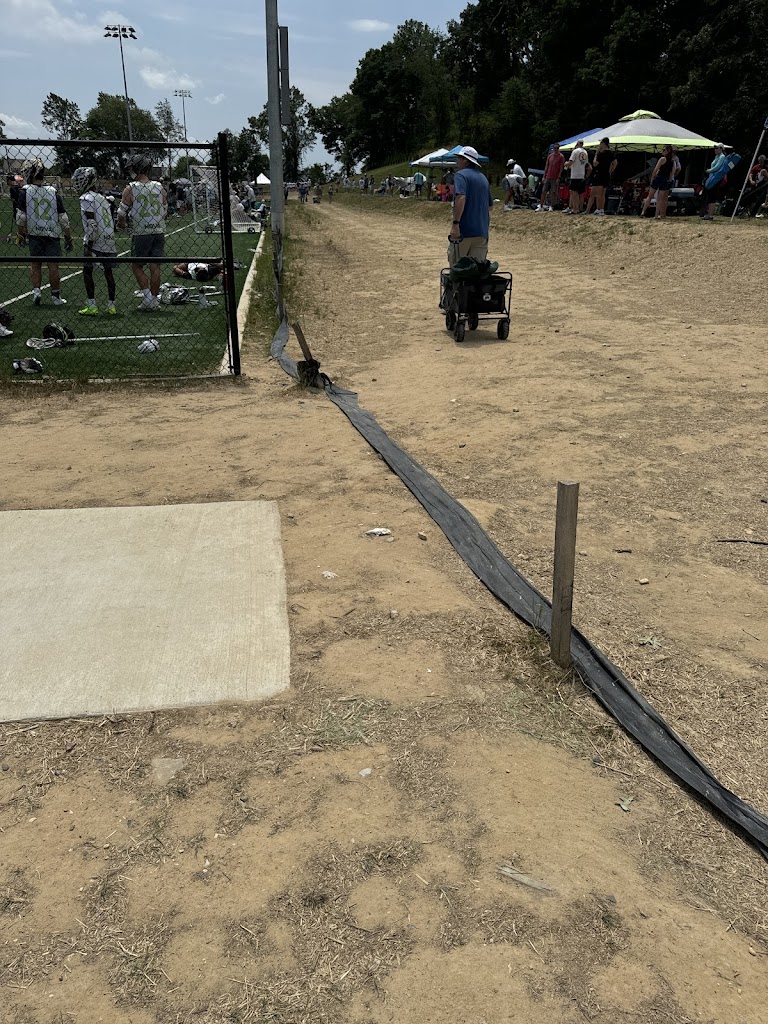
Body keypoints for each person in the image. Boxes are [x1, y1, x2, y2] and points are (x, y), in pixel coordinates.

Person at [15, 161, 73, 306]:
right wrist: (68, 236)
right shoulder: (53, 191)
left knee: (35, 264)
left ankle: (37, 292)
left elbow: (21, 217)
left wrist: (20, 234)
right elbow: (63, 218)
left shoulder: (25, 191)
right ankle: (55, 297)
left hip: (34, 232)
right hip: (52, 232)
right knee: (53, 265)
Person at [118, 154, 166, 311]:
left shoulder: (131, 187)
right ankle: (154, 300)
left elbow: (121, 212)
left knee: (137, 265)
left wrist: (121, 223)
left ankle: (147, 298)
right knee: (155, 266)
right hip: (158, 229)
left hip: (141, 231)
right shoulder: (159, 186)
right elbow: (165, 208)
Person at [73, 167, 118, 316]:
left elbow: (92, 224)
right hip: (108, 238)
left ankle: (92, 305)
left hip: (96, 239)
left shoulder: (86, 198)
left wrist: (89, 246)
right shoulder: (102, 198)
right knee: (108, 273)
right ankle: (111, 306)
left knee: (87, 271)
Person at [447, 146, 493, 267]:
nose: (457, 161)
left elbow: (461, 197)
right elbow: (490, 206)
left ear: (466, 160)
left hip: (464, 231)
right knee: (476, 271)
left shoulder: (460, 175)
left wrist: (455, 224)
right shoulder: (483, 178)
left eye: (459, 158)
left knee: (458, 269)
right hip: (482, 232)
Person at [641, 144, 675, 219]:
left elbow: (656, 169)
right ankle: (656, 215)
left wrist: (652, 178)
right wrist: (669, 180)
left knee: (650, 196)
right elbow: (672, 172)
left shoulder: (662, 159)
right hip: (666, 179)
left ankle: (643, 212)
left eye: (664, 150)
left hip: (659, 178)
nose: (662, 151)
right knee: (660, 199)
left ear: (667, 151)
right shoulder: (672, 161)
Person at [586, 138, 617, 216]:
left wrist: (596, 154)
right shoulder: (610, 153)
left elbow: (595, 164)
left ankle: (599, 209)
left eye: (601, 143)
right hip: (606, 175)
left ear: (604, 144)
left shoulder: (601, 154)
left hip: (599, 174)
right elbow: (615, 162)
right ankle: (601, 209)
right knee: (603, 193)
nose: (600, 145)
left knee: (598, 194)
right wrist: (610, 171)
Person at [700, 143, 728, 221]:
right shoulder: (717, 156)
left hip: (716, 179)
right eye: (714, 148)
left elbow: (717, 167)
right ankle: (708, 213)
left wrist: (708, 170)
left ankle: (710, 215)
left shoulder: (722, 157)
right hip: (712, 178)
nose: (715, 150)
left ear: (721, 149)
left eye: (717, 148)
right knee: (709, 195)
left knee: (712, 195)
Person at [564, 139, 589, 214]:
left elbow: (571, 162)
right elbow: (586, 164)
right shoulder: (585, 152)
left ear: (577, 144)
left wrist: (565, 164)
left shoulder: (575, 151)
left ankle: (575, 208)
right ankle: (580, 208)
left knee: (574, 193)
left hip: (575, 175)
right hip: (582, 174)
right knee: (581, 193)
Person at [539, 143, 565, 210]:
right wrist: (544, 176)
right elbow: (547, 166)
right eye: (554, 148)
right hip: (548, 176)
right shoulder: (550, 156)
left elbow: (561, 167)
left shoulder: (561, 156)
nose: (555, 149)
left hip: (555, 177)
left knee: (553, 192)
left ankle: (551, 206)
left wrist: (559, 177)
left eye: (557, 148)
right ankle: (541, 205)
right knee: (543, 191)